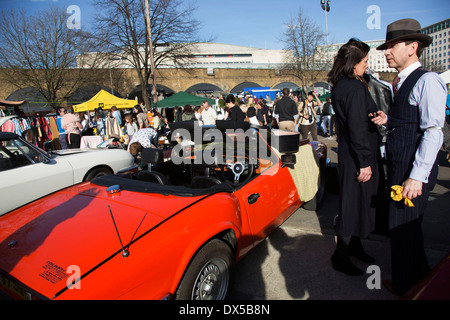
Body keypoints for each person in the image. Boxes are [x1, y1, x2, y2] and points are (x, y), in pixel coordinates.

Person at [370, 19, 447, 295]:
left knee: (403, 231)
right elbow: (409, 123)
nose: (386, 52)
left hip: (412, 173)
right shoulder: (399, 82)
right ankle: (419, 283)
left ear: (413, 47)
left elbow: (433, 131)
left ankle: (409, 288)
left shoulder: (428, 80)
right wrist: (388, 119)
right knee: (406, 233)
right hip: (401, 168)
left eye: (392, 46)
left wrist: (416, 176)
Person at [327, 38, 381, 276]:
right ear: (354, 63)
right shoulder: (355, 87)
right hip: (358, 155)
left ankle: (355, 247)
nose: (367, 65)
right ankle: (341, 256)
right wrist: (366, 162)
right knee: (352, 205)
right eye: (365, 61)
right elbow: (358, 127)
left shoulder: (341, 84)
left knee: (356, 203)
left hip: (350, 152)